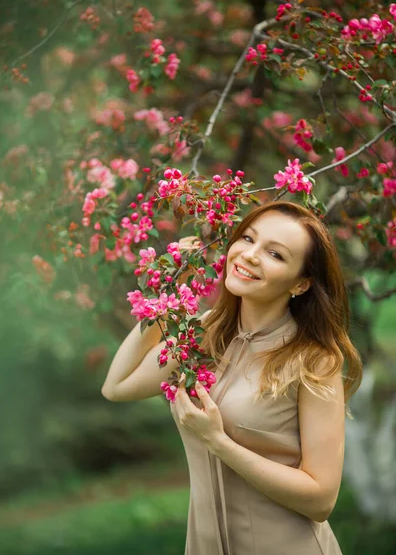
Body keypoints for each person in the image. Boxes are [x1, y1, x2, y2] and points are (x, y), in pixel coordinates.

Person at [102, 200, 363, 555]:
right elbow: (117, 386)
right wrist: (166, 294)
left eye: (275, 254)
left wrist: (219, 442)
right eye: (247, 239)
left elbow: (321, 499)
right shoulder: (203, 333)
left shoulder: (313, 361)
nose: (251, 255)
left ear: (301, 284)